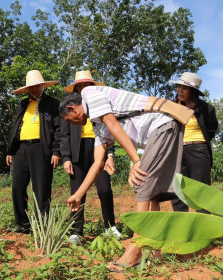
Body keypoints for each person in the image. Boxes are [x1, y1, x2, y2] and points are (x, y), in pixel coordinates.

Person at [59, 85, 184, 269]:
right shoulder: (97, 125)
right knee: (152, 193)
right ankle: (155, 250)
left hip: (161, 125)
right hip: (159, 132)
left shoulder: (89, 94)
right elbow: (97, 163)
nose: (74, 124)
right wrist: (78, 194)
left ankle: (135, 250)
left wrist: (135, 160)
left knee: (141, 182)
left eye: (71, 120)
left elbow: (113, 122)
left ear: (72, 108)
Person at [60, 70, 121, 243]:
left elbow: (110, 130)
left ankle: (110, 227)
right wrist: (66, 158)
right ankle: (76, 231)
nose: (83, 88)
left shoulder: (100, 103)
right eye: (80, 86)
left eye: (86, 85)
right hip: (77, 152)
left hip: (99, 149)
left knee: (104, 189)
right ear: (76, 89)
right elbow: (63, 135)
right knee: (78, 191)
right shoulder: (69, 107)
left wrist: (110, 155)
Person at [6, 70, 61, 234]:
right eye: (31, 87)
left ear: (43, 85)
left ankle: (42, 225)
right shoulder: (23, 104)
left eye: (37, 86)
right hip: (21, 149)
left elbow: (58, 129)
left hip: (41, 148)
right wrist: (11, 150)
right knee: (17, 187)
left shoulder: (53, 104)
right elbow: (17, 127)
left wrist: (56, 151)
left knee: (41, 188)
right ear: (28, 88)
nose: (35, 89)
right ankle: (22, 224)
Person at [169, 72, 218, 213]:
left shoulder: (206, 109)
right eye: (178, 86)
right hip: (176, 151)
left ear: (193, 91)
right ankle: (182, 228)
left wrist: (198, 143)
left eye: (184, 88)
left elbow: (211, 130)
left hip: (198, 150)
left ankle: (205, 229)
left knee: (202, 190)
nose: (180, 90)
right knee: (177, 190)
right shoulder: (171, 107)